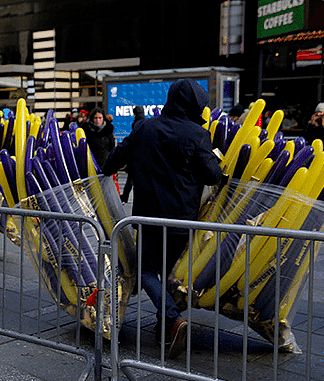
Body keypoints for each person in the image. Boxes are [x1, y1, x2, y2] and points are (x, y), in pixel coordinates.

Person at [102, 79, 222, 358]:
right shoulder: (197, 134)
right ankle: (168, 326)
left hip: (147, 218)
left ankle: (169, 322)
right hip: (182, 220)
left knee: (144, 272)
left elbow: (113, 160)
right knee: (171, 277)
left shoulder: (144, 127)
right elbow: (212, 175)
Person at [119, 106, 145, 203]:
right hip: (143, 157)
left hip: (135, 156)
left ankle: (125, 196)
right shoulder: (145, 123)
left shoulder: (136, 124)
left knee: (130, 179)